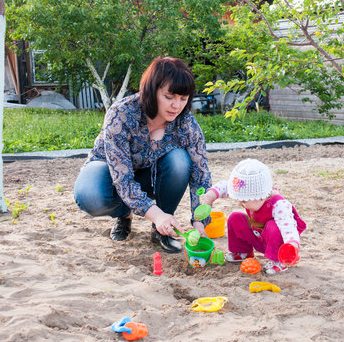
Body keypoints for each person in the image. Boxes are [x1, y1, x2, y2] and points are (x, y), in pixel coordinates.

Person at [74, 57, 212, 254]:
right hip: (111, 174)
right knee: (90, 196)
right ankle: (125, 214)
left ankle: (161, 228)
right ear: (151, 90)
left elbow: (201, 176)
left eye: (183, 98)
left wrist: (200, 220)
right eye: (169, 96)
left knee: (180, 160)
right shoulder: (122, 114)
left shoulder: (186, 123)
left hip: (152, 176)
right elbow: (122, 177)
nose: (177, 105)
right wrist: (153, 213)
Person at [200, 158, 306, 274]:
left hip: (276, 244)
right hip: (258, 236)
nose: (239, 203)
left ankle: (278, 262)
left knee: (273, 226)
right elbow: (225, 186)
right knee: (235, 218)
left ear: (260, 197)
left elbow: (288, 228)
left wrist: (291, 245)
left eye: (244, 201)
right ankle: (243, 252)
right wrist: (210, 196)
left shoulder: (279, 205)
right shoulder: (250, 193)